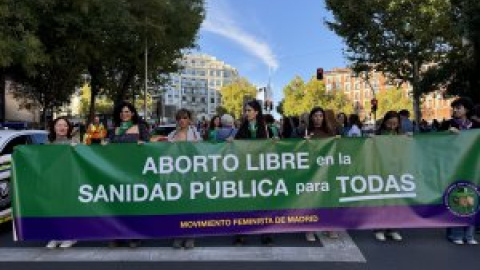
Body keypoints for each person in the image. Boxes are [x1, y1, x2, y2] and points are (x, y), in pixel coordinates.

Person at [105, 101, 149, 248]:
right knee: (119, 204)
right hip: (117, 170)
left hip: (136, 170)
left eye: (127, 111)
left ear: (133, 113)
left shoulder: (141, 127)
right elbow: (110, 145)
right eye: (122, 112)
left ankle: (135, 236)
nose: (125, 114)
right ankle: (118, 235)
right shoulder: (114, 129)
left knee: (135, 204)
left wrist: (144, 144)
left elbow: (149, 146)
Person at [234, 100, 273, 246]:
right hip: (245, 171)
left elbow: (275, 147)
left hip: (261, 171)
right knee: (245, 203)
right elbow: (236, 146)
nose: (247, 113)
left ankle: (266, 234)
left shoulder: (267, 129)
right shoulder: (242, 128)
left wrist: (275, 142)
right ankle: (242, 234)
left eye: (249, 110)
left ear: (256, 112)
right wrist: (231, 142)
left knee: (263, 203)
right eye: (246, 110)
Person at [444, 97, 478, 245]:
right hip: (454, 167)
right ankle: (455, 234)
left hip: (473, 167)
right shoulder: (448, 125)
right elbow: (437, 142)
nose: (456, 110)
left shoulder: (476, 125)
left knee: (472, 199)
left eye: (459, 107)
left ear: (467, 110)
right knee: (455, 198)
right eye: (454, 108)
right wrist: (448, 135)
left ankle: (469, 235)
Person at [168, 109, 202, 249]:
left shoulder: (195, 134)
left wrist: (196, 145)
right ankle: (178, 234)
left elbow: (203, 151)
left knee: (190, 205)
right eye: (179, 118)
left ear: (189, 119)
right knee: (177, 205)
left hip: (191, 174)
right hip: (176, 174)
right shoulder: (172, 135)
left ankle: (190, 236)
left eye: (185, 117)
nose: (182, 120)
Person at [304, 107, 338, 241]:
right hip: (311, 171)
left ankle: (329, 226)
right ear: (311, 117)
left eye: (320, 116)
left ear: (324, 118)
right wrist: (303, 142)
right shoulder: (305, 131)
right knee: (311, 200)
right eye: (315, 116)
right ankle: (309, 229)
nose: (318, 118)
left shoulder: (330, 132)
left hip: (327, 170)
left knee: (327, 199)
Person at [46, 117, 79, 249]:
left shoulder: (75, 141)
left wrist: (77, 149)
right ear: (54, 128)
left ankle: (70, 236)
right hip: (53, 181)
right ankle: (55, 236)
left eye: (65, 125)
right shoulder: (48, 144)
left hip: (69, 180)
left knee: (68, 208)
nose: (62, 128)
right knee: (53, 208)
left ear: (68, 128)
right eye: (59, 125)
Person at [373, 111, 404, 242]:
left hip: (397, 171)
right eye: (390, 123)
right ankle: (379, 228)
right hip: (381, 171)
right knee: (382, 201)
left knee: (395, 201)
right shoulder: (378, 135)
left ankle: (393, 228)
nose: (392, 126)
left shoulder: (401, 135)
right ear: (384, 122)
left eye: (395, 124)